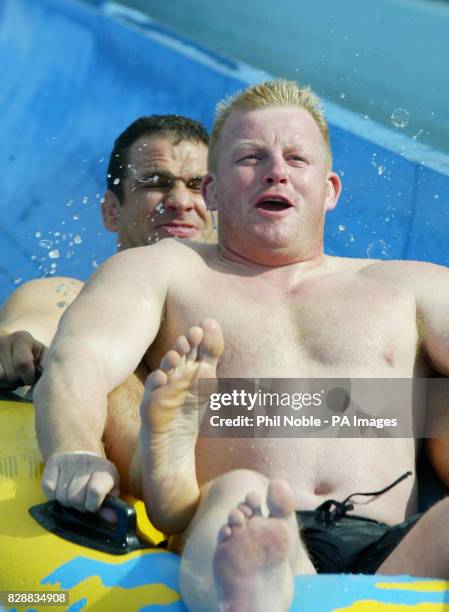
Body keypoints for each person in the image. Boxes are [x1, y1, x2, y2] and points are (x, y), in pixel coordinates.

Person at [33, 80, 449, 611]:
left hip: (395, 546)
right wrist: (75, 451)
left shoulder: (412, 286)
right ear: (211, 192)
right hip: (239, 521)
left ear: (330, 189)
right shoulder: (165, 271)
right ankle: (256, 582)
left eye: (297, 158)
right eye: (252, 157)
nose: (277, 170)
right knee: (239, 493)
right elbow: (78, 362)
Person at [0, 114, 213, 391]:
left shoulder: (254, 313)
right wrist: (12, 346)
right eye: (155, 183)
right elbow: (32, 325)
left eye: (198, 186)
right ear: (112, 211)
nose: (181, 201)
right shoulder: (67, 300)